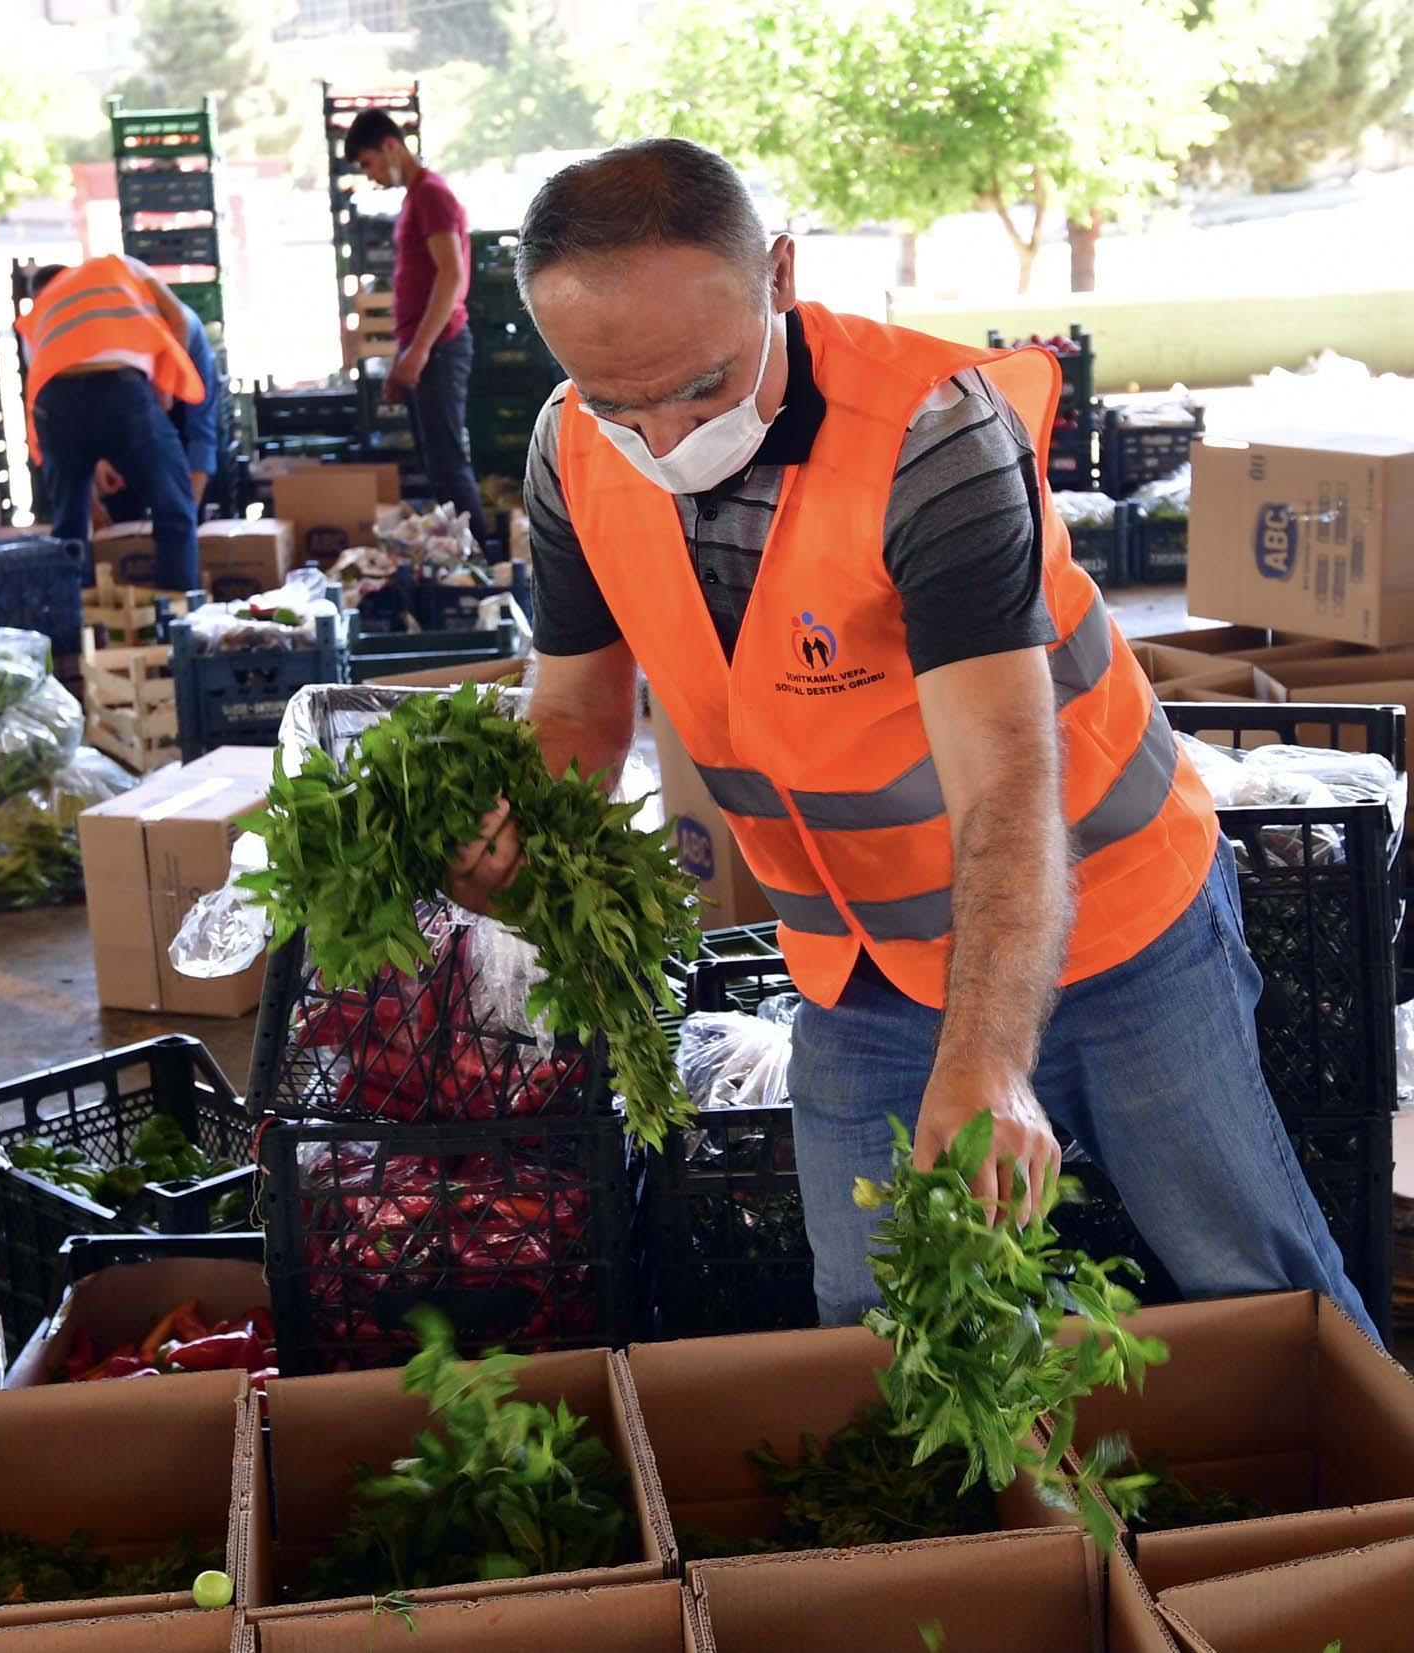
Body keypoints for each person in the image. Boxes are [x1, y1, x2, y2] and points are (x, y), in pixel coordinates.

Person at [451, 138, 1378, 1341]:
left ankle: (1362, 1510)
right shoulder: (571, 452)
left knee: (1247, 1276)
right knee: (889, 1319)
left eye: (701, 385)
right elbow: (574, 710)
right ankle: (1005, 1532)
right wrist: (514, 829)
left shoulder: (929, 437)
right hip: (864, 956)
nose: (665, 437)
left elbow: (1004, 782)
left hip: (1103, 908)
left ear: (778, 273)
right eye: (618, 400)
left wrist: (989, 1061)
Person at [17, 254, 205, 590]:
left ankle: (74, 626)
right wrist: (162, 390)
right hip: (120, 391)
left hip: (53, 403)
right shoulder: (121, 265)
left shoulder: (42, 312)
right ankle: (176, 622)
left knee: (68, 529)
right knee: (175, 511)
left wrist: (95, 471)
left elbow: (66, 396)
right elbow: (178, 317)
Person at [342, 107, 487, 541]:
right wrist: (404, 357)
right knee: (435, 467)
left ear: (390, 145)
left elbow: (452, 275)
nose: (370, 175)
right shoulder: (415, 200)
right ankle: (455, 566)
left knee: (447, 465)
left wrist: (420, 351)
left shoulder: (431, 195)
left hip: (441, 347)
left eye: (368, 163)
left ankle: (480, 571)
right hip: (426, 349)